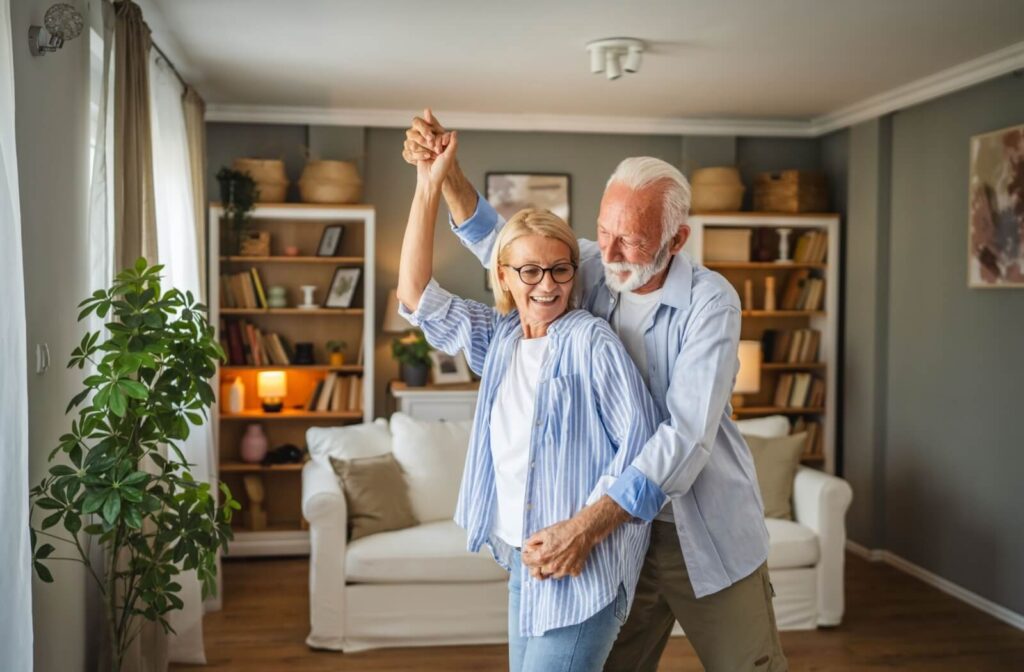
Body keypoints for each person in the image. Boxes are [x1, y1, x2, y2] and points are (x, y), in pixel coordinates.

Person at [403, 110, 788, 672]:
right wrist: (446, 173)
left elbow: (683, 435)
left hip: (698, 527)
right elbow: (503, 246)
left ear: (676, 239)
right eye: (603, 230)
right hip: (615, 538)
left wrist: (584, 527)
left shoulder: (711, 302)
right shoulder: (586, 264)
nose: (608, 252)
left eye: (630, 239)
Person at [396, 128, 660, 672]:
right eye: (530, 270)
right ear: (504, 276)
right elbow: (415, 296)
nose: (547, 285)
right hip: (523, 561)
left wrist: (582, 534)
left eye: (560, 269)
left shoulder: (591, 341)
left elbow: (643, 448)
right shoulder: (502, 339)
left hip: (584, 565)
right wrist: (428, 185)